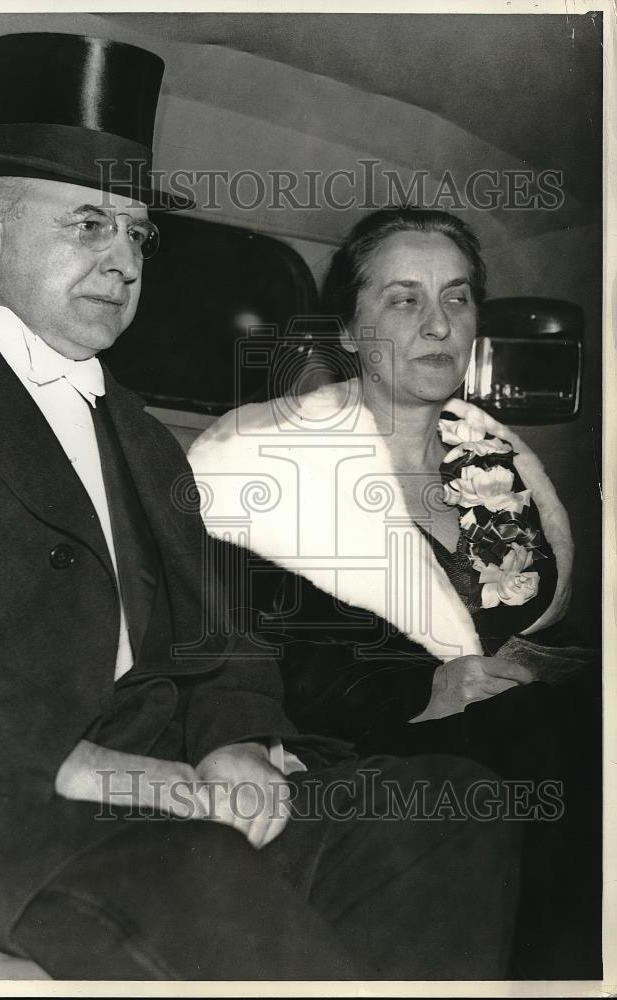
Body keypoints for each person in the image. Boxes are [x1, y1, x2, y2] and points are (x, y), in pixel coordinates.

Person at [0, 36, 521, 981]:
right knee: (201, 871)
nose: (123, 260)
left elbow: (223, 637)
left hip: (167, 802)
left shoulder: (138, 433)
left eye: (136, 234)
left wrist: (233, 745)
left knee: (442, 810)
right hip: (4, 809)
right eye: (88, 224)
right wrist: (113, 773)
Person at [187, 207, 601, 977]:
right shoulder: (255, 457)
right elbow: (238, 647)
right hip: (350, 745)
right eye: (405, 299)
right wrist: (426, 685)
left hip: (516, 730)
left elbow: (543, 626)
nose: (439, 324)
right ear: (348, 332)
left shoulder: (504, 459)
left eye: (458, 297)